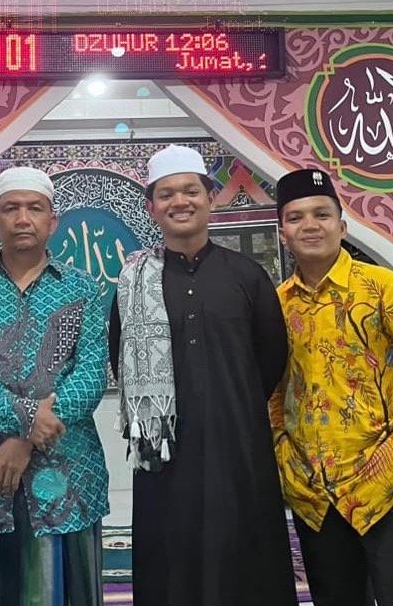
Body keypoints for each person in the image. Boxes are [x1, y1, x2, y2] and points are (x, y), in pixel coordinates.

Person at [109, 144, 298, 606]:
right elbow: (120, 357)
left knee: (247, 557)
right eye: (167, 194)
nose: (180, 201)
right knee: (171, 558)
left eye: (191, 191)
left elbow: (272, 355)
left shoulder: (247, 275)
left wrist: (233, 402)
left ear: (210, 198)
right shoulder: (133, 283)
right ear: (152, 208)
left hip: (240, 446)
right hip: (165, 452)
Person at [271, 168, 393, 606]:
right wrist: (281, 447)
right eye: (296, 218)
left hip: (387, 479)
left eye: (321, 214)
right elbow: (274, 387)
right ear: (283, 234)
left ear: (342, 226)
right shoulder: (277, 304)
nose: (310, 225)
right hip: (315, 491)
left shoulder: (385, 289)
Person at [0, 166, 109, 606]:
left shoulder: (83, 288)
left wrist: (27, 438)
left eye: (35, 208)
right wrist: (29, 417)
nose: (22, 218)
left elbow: (91, 374)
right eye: (11, 208)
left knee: (68, 588)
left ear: (53, 221)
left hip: (67, 468)